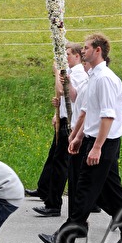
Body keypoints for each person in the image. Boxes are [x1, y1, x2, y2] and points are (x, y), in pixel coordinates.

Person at [38, 33, 122, 243]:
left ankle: (65, 238)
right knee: (110, 193)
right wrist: (78, 136)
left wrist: (96, 147)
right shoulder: (94, 76)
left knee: (84, 189)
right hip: (95, 139)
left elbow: (107, 116)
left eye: (85, 48)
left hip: (104, 142)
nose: (82, 51)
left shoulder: (104, 78)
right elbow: (88, 111)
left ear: (98, 50)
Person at [33, 42, 89, 218]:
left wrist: (57, 72)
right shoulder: (73, 73)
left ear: (78, 56)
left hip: (72, 124)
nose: (66, 58)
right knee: (56, 160)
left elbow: (65, 91)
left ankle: (54, 204)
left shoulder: (79, 73)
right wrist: (58, 112)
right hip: (65, 119)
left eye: (68, 55)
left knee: (61, 164)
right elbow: (67, 98)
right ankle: (48, 194)